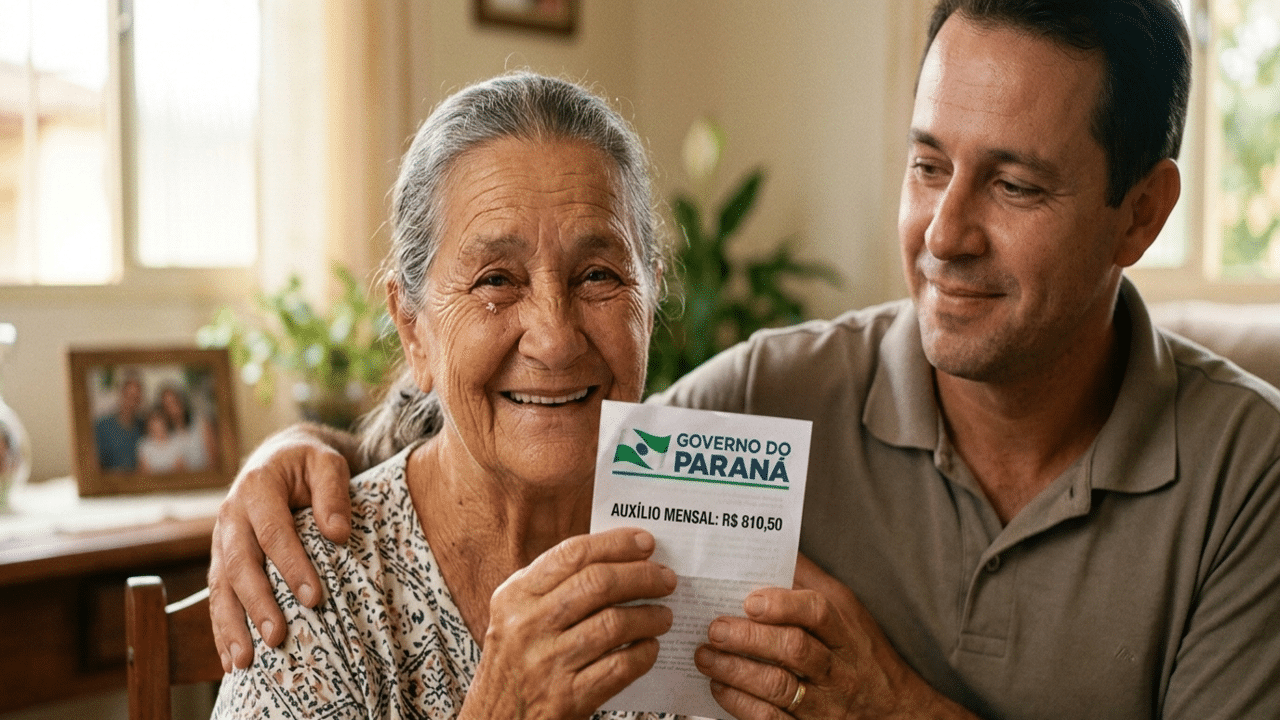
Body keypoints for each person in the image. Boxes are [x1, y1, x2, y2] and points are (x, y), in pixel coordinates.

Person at [210, 1, 1280, 718]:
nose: (942, 233)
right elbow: (530, 420)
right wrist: (294, 455)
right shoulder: (762, 407)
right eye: (925, 164)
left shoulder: (1249, 472)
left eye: (1014, 185)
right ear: (407, 319)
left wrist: (895, 709)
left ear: (1138, 214)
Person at [209, 72, 695, 719]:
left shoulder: (712, 538)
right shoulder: (318, 582)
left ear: (650, 297)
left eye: (598, 275)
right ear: (413, 327)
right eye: (497, 279)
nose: (554, 337)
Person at [93, 371, 144, 471]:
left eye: (136, 398)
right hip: (110, 483)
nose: (132, 403)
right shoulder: (103, 426)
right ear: (121, 396)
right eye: (129, 397)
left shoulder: (144, 425)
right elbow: (95, 463)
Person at [159, 384, 216, 471]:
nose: (173, 408)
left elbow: (214, 459)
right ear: (164, 410)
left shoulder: (201, 422)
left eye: (174, 402)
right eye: (167, 405)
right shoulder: (166, 434)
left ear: (181, 401)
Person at [138, 405, 186, 473]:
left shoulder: (177, 441)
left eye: (160, 421)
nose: (157, 426)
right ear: (148, 425)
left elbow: (180, 468)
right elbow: (144, 471)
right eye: (154, 422)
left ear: (166, 423)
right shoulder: (144, 445)